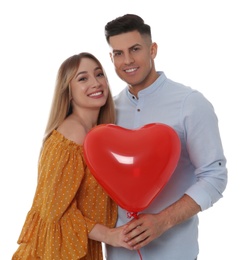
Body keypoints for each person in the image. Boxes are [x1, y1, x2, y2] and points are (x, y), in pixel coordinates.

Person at [104, 14, 228, 260]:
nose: (127, 60)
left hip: (175, 254)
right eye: (118, 53)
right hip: (118, 254)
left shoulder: (190, 103)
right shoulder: (108, 112)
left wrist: (163, 221)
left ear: (153, 49)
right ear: (111, 58)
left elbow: (215, 176)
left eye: (135, 49)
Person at [12, 52, 132, 260]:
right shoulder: (73, 134)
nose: (96, 83)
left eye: (99, 74)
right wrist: (110, 236)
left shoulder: (97, 133)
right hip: (54, 252)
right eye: (83, 78)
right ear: (68, 93)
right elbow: (53, 211)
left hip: (79, 248)